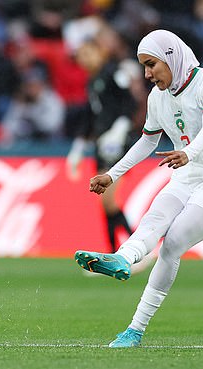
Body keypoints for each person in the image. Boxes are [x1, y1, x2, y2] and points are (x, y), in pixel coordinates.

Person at [74, 29, 203, 348]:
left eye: (151, 64)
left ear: (170, 57)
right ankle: (122, 259)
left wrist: (188, 152)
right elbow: (147, 141)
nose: (147, 73)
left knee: (173, 242)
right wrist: (112, 174)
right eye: (143, 66)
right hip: (186, 174)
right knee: (154, 218)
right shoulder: (158, 97)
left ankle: (135, 328)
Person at [67, 38, 137, 253]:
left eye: (88, 53)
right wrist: (78, 148)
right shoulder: (93, 81)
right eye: (81, 56)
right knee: (104, 202)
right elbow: (91, 116)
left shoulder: (113, 73)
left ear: (100, 51)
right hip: (101, 143)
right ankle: (113, 253)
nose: (84, 59)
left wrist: (120, 129)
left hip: (116, 142)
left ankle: (136, 248)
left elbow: (130, 103)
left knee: (108, 199)